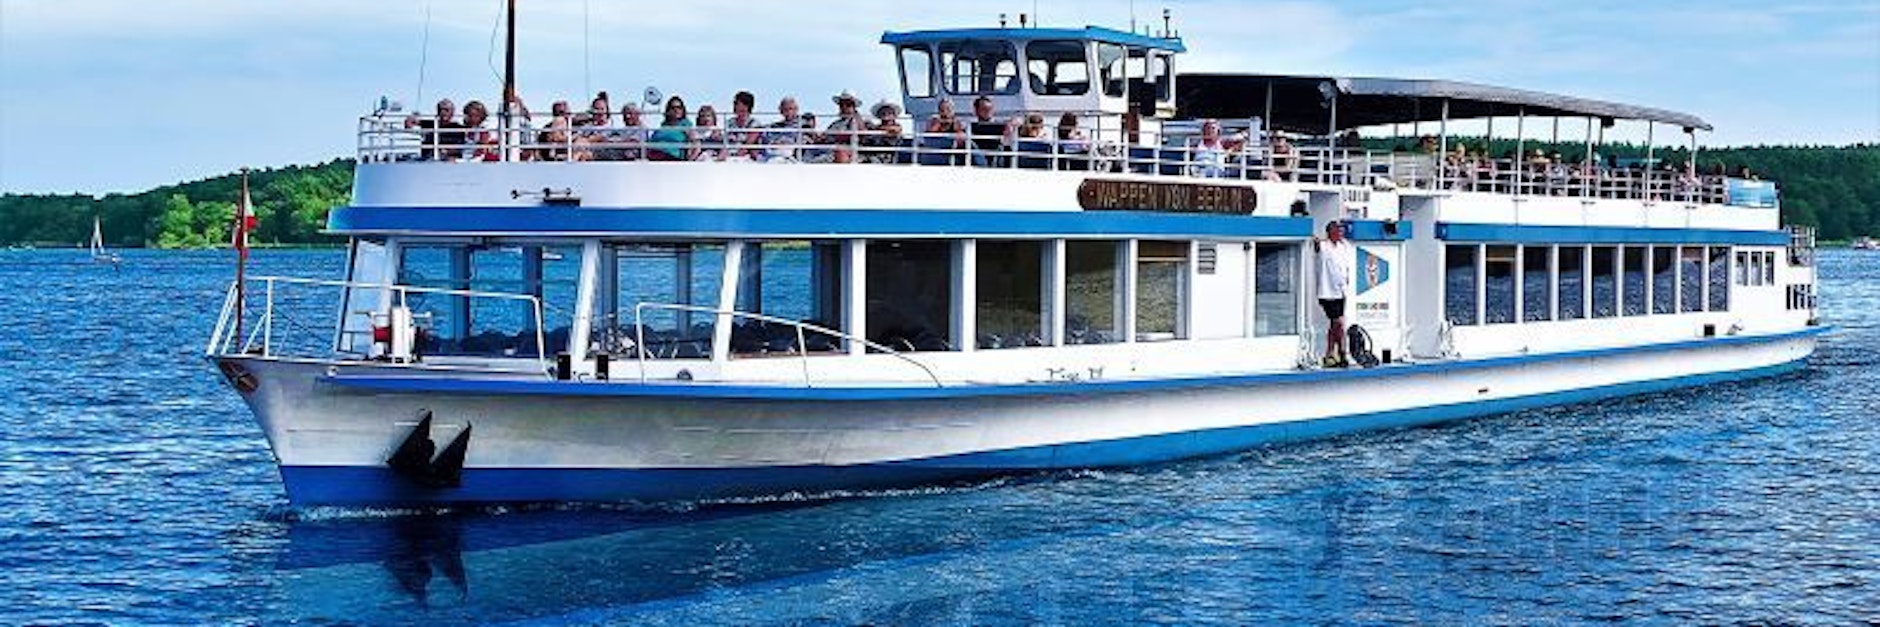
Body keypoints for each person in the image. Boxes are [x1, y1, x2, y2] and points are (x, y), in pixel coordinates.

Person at [1313, 221, 1355, 368]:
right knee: (1338, 323)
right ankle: (1341, 352)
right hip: (1327, 292)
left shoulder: (1344, 247)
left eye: (1342, 231)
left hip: (1341, 292)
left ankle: (1331, 354)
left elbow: (1345, 268)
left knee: (1335, 325)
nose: (1341, 234)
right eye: (1338, 231)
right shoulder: (1324, 247)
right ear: (1330, 232)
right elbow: (1314, 242)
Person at [968, 96, 1016, 166]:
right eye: (984, 109)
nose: (988, 111)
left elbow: (1019, 120)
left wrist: (1012, 123)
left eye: (990, 109)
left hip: (996, 157)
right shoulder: (972, 127)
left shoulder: (999, 125)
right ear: (976, 110)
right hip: (978, 157)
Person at [825, 90, 867, 163]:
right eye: (841, 105)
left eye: (848, 105)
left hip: (854, 153)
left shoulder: (860, 121)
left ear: (854, 107)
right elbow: (825, 137)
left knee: (841, 152)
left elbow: (862, 132)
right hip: (832, 151)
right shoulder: (834, 124)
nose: (844, 107)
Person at [765, 96, 807, 162]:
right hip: (774, 154)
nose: (789, 112)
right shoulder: (774, 126)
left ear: (796, 110)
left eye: (791, 109)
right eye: (785, 109)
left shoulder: (803, 125)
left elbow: (804, 141)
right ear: (781, 111)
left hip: (792, 156)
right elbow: (769, 140)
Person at [726, 91, 763, 160]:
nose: (735, 105)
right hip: (730, 153)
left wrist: (735, 156)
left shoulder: (755, 124)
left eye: (737, 103)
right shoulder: (730, 122)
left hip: (746, 156)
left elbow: (747, 145)